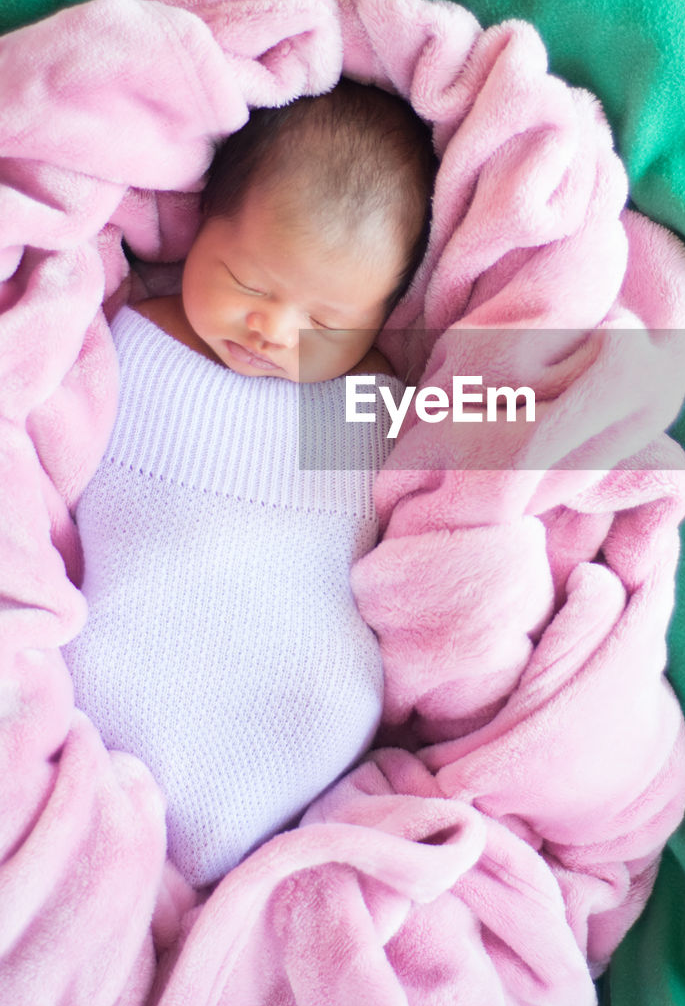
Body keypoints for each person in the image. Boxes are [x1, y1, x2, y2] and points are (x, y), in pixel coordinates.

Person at [62, 80, 435, 888]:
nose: (277, 331)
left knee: (332, 695)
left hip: (299, 695)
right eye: (250, 285)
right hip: (118, 652)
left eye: (331, 323)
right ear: (201, 229)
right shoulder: (124, 337)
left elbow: (491, 449)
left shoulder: (372, 404)